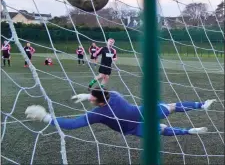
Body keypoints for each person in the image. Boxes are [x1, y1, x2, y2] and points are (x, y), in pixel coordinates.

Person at [25, 87, 216, 137]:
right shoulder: (114, 96)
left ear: (98, 103)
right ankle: (201, 105)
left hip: (131, 129)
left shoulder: (98, 114)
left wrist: (45, 117)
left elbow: (72, 124)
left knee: (162, 130)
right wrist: (87, 95)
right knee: (173, 107)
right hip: (143, 113)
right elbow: (106, 93)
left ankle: (188, 131)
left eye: (92, 98)